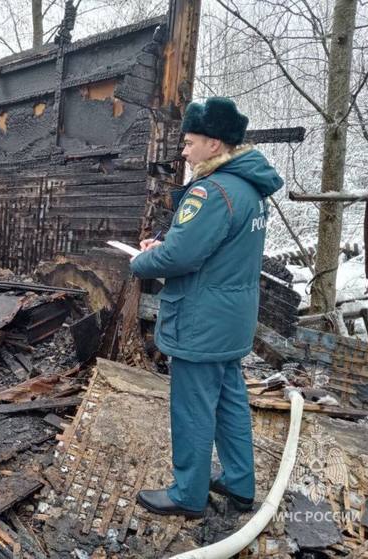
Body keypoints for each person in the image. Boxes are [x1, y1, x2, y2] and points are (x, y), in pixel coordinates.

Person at [129, 97, 283, 518]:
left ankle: (187, 494)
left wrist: (139, 260)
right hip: (232, 318)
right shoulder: (250, 188)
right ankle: (238, 482)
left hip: (201, 319)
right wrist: (171, 244)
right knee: (230, 399)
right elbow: (214, 248)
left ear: (214, 144)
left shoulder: (211, 191)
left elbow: (180, 258)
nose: (184, 150)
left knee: (193, 407)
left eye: (191, 142)